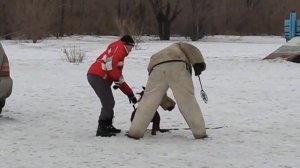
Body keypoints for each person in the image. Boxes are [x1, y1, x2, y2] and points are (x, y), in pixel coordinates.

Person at [128, 42, 207, 139]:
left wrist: (166, 103)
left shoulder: (158, 55)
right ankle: (200, 132)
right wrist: (198, 64)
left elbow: (157, 92)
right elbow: (192, 49)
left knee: (148, 101)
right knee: (187, 101)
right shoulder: (179, 45)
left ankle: (135, 132)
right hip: (177, 64)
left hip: (155, 67)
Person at [87, 35, 138, 137]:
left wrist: (130, 94)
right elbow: (109, 65)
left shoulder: (118, 52)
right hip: (98, 76)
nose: (131, 50)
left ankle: (108, 126)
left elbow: (119, 78)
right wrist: (115, 79)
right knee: (108, 103)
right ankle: (102, 128)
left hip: (96, 76)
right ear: (126, 44)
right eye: (131, 47)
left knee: (109, 103)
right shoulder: (119, 48)